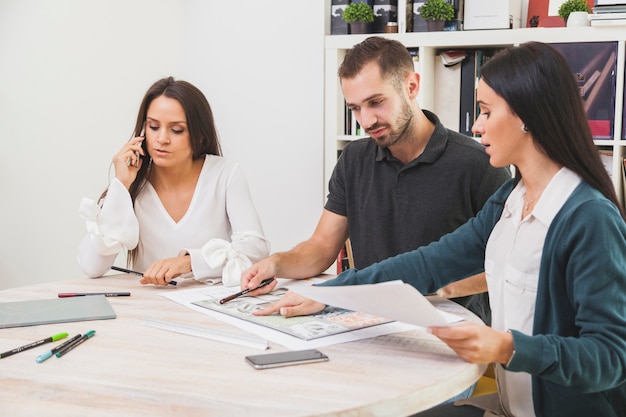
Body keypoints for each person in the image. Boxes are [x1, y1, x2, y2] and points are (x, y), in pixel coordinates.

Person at [254, 42, 626, 417]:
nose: (476, 125)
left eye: (485, 111)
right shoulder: (509, 201)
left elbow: (612, 356)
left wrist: (508, 348)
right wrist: (334, 293)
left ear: (527, 115)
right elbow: (427, 264)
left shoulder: (588, 217)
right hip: (507, 407)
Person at [241, 36, 510, 326]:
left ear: (411, 86)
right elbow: (321, 246)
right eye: (355, 108)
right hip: (366, 324)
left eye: (376, 102)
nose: (366, 121)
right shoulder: (353, 159)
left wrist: (437, 289)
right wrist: (277, 263)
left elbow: (505, 265)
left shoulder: (479, 164)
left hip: (449, 329)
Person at [78, 76, 270, 286]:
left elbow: (256, 249)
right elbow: (91, 266)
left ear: (199, 136)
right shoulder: (133, 184)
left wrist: (188, 262)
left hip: (209, 306)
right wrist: (120, 185)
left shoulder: (225, 174)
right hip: (149, 306)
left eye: (176, 130)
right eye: (153, 127)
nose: (162, 139)